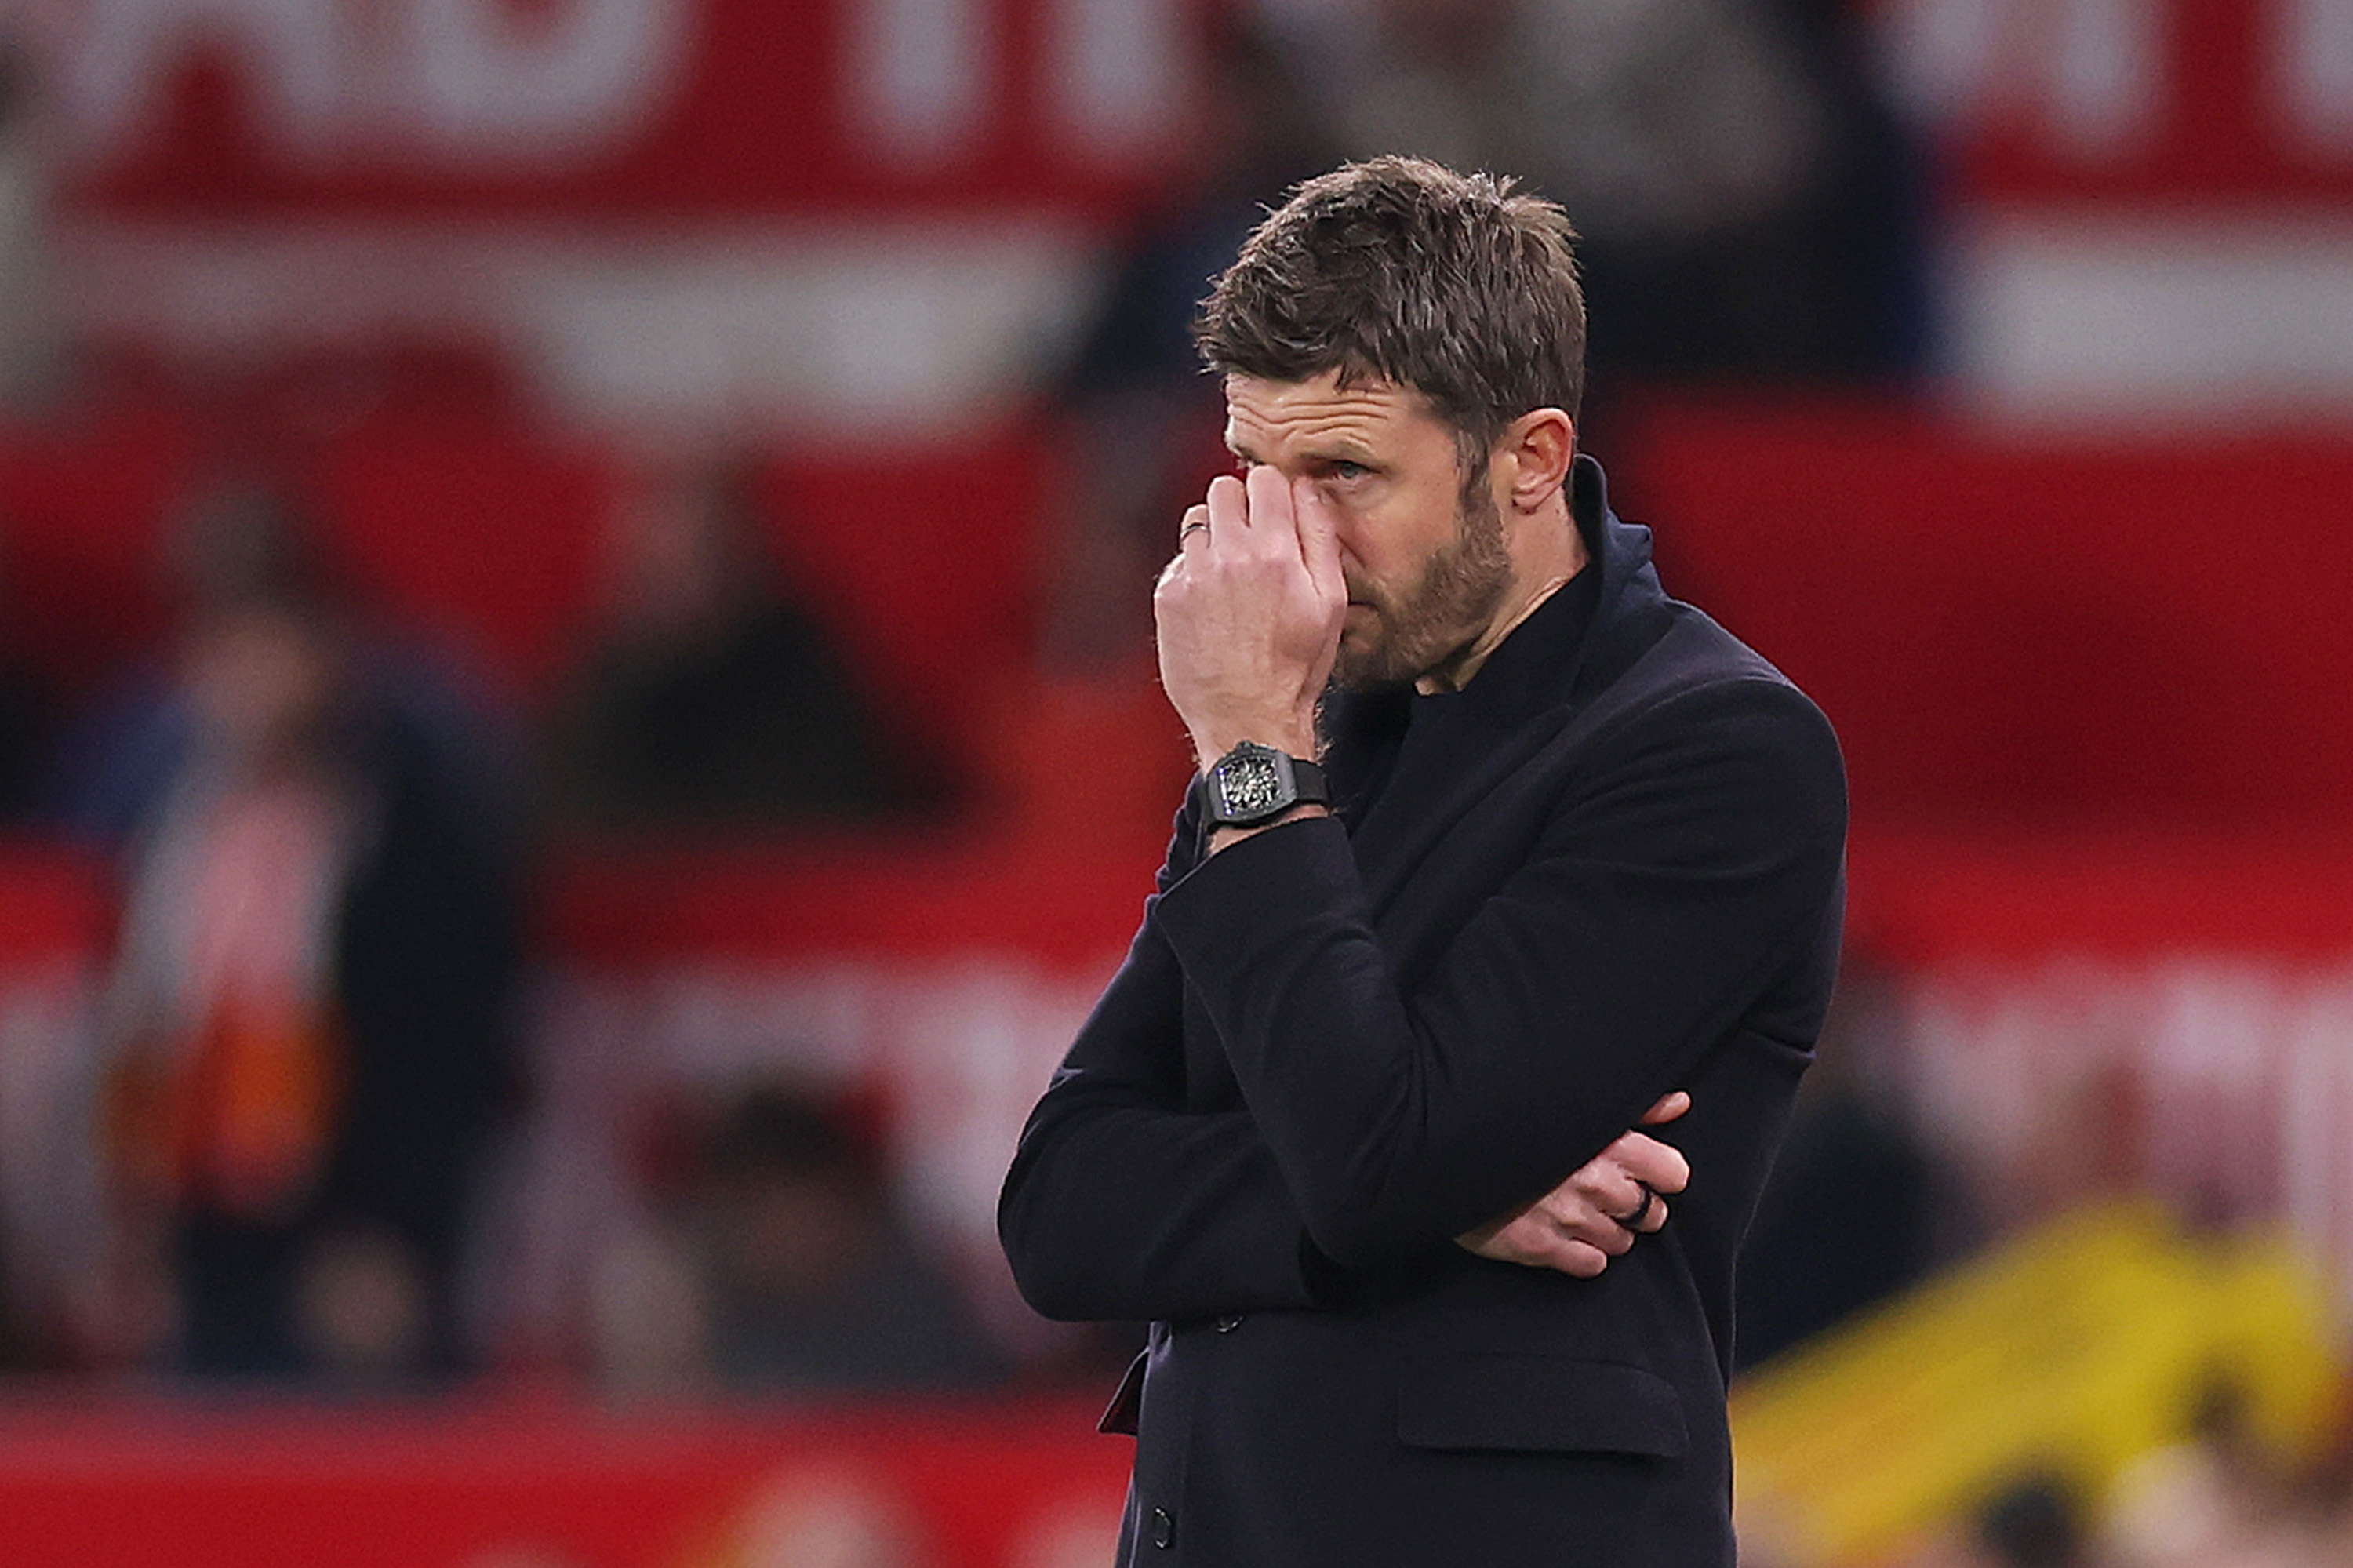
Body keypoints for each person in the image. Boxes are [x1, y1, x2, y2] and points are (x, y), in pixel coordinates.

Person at [997, 158, 1846, 1565]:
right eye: (1256, 475)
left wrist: (1250, 747)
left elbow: (1376, 1161)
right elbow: (1060, 1207)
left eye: (1342, 474)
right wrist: (1436, 1206)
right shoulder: (1311, 733)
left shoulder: (1716, 749)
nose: (1290, 552)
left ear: (1527, 457)